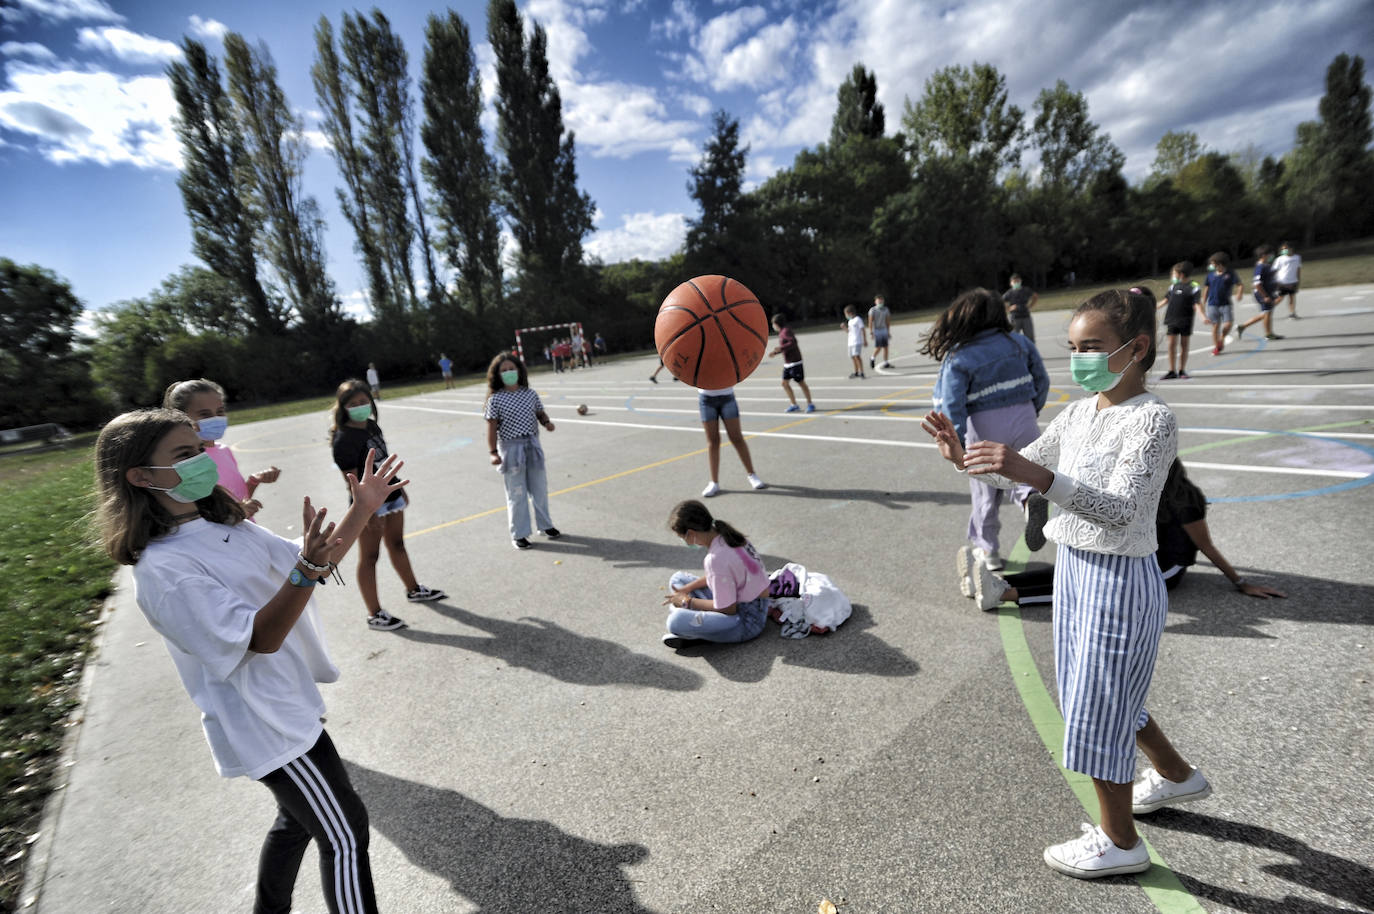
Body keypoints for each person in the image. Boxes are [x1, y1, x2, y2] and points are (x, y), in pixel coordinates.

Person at [922, 288, 1211, 880]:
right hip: (1076, 572)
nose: (1081, 358)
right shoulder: (1081, 412)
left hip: (1120, 578)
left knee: (1096, 705)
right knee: (1105, 695)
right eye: (1074, 347)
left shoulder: (1152, 419)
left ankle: (1120, 840)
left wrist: (1039, 475)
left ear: (1137, 349)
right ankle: (1179, 776)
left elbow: (1126, 509)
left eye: (1094, 347)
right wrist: (964, 459)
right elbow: (1022, 468)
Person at [94, 407, 405, 914]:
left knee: (296, 823)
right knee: (345, 832)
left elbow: (315, 562)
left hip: (286, 704)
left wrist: (362, 506)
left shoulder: (224, 525)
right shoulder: (166, 568)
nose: (203, 460)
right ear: (140, 476)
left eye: (199, 450)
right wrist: (305, 571)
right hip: (265, 723)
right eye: (185, 454)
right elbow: (259, 637)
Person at [964, 458, 1289, 610]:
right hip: (1138, 553)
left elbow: (1206, 546)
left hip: (1165, 568)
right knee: (1073, 569)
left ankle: (1005, 595)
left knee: (1083, 591)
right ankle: (995, 581)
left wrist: (1241, 583)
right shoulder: (1139, 492)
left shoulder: (1183, 500)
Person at [924, 289, 1051, 572]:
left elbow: (951, 402)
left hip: (984, 425)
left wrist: (953, 437)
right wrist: (1032, 409)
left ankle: (988, 550)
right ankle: (1031, 502)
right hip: (1024, 416)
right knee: (1025, 471)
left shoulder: (959, 356)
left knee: (986, 490)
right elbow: (1042, 379)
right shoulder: (1019, 342)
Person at [331, 380, 447, 629]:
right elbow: (351, 481)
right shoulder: (343, 440)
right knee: (370, 556)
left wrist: (400, 489)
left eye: (363, 402)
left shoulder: (372, 426)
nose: (360, 407)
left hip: (390, 496)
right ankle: (375, 613)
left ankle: (414, 589)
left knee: (398, 544)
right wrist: (365, 512)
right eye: (353, 404)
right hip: (367, 505)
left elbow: (384, 463)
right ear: (343, 408)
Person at [163, 378, 279, 519]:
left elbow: (238, 499)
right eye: (205, 414)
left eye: (220, 412)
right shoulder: (187, 462)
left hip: (245, 532)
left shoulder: (224, 450)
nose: (215, 418)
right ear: (179, 417)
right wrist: (236, 512)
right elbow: (198, 515)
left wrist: (253, 481)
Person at [661, 499, 769, 649]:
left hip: (746, 621)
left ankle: (696, 629)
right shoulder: (728, 536)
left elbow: (728, 609)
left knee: (675, 621)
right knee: (678, 579)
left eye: (683, 538)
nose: (685, 542)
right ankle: (696, 623)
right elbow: (723, 577)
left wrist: (687, 602)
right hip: (754, 605)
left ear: (691, 534)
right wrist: (687, 590)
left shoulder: (715, 559)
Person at [484, 352, 561, 549]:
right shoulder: (496, 400)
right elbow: (491, 427)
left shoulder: (530, 393)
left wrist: (547, 423)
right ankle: (519, 533)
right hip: (511, 450)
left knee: (539, 489)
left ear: (519, 370)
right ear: (497, 375)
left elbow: (539, 412)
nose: (509, 372)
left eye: (511, 369)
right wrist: (493, 452)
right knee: (516, 494)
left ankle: (545, 525)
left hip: (532, 446)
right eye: (504, 370)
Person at [697, 382, 766, 497]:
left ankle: (752, 474)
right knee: (713, 442)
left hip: (727, 396)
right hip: (706, 399)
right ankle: (714, 482)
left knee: (737, 438)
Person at [1156, 263, 1203, 380]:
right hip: (1172, 319)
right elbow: (1165, 300)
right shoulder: (1173, 286)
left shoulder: (1194, 286)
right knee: (1171, 345)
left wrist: (1203, 316)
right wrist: (1153, 307)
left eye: (1174, 274)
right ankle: (1172, 371)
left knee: (1184, 345)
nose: (1172, 276)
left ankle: (1182, 370)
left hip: (1185, 320)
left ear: (1181, 274)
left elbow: (1197, 304)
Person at [767, 313, 815, 413]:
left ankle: (810, 404)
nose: (773, 326)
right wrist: (776, 352)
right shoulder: (782, 332)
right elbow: (786, 347)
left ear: (777, 323)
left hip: (795, 362)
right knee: (785, 384)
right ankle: (794, 405)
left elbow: (793, 342)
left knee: (801, 383)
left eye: (773, 324)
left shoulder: (786, 331)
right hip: (788, 363)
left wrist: (781, 348)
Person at [1236, 245, 1284, 342]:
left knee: (1267, 313)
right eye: (1270, 254)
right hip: (1262, 294)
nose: (1272, 256)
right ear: (1263, 255)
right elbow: (1257, 283)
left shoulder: (1267, 265)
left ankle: (1243, 327)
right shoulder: (1260, 267)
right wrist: (1265, 296)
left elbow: (1271, 279)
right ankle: (1268, 334)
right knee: (1267, 313)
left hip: (1269, 292)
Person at [1200, 252, 1242, 356]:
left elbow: (1239, 284)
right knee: (1215, 326)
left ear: (1220, 263)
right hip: (1212, 304)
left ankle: (1222, 338)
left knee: (1228, 324)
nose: (1211, 265)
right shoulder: (1210, 275)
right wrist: (1203, 301)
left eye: (1213, 263)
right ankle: (1217, 347)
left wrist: (1239, 293)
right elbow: (1207, 288)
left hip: (1225, 303)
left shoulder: (1230, 274)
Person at [1002, 273, 1038, 341]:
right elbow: (1001, 301)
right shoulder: (1009, 293)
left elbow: (1035, 296)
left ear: (1020, 281)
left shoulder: (1026, 290)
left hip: (1026, 316)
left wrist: (1030, 305)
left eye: (1018, 281)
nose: (1016, 283)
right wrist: (1009, 308)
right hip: (1015, 318)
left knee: (1029, 337)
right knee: (1014, 338)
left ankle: (1030, 350)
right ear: (1011, 283)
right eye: (1014, 282)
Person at [1273, 240, 1302, 319]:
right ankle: (1267, 311)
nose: (1284, 251)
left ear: (1291, 248)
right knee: (1280, 298)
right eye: (1282, 249)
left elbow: (1298, 269)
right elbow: (1274, 271)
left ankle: (1292, 313)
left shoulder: (1297, 257)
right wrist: (1274, 281)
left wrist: (1298, 280)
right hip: (1282, 281)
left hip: (1293, 281)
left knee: (1292, 297)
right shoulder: (1279, 259)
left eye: (1285, 248)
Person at [868, 294, 892, 369]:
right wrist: (871, 332)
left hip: (884, 329)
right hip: (877, 330)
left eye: (881, 301)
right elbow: (870, 322)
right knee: (878, 347)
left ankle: (886, 362)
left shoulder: (886, 309)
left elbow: (887, 321)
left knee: (886, 346)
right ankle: (872, 357)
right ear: (875, 302)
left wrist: (888, 332)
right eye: (878, 301)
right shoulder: (873, 310)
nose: (880, 302)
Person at [843, 305, 867, 379]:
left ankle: (862, 372)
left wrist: (865, 340)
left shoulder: (858, 319)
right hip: (850, 342)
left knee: (857, 356)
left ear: (850, 313)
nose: (846, 316)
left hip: (857, 341)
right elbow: (849, 332)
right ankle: (856, 372)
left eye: (846, 314)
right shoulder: (850, 321)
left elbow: (862, 329)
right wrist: (844, 328)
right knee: (853, 357)